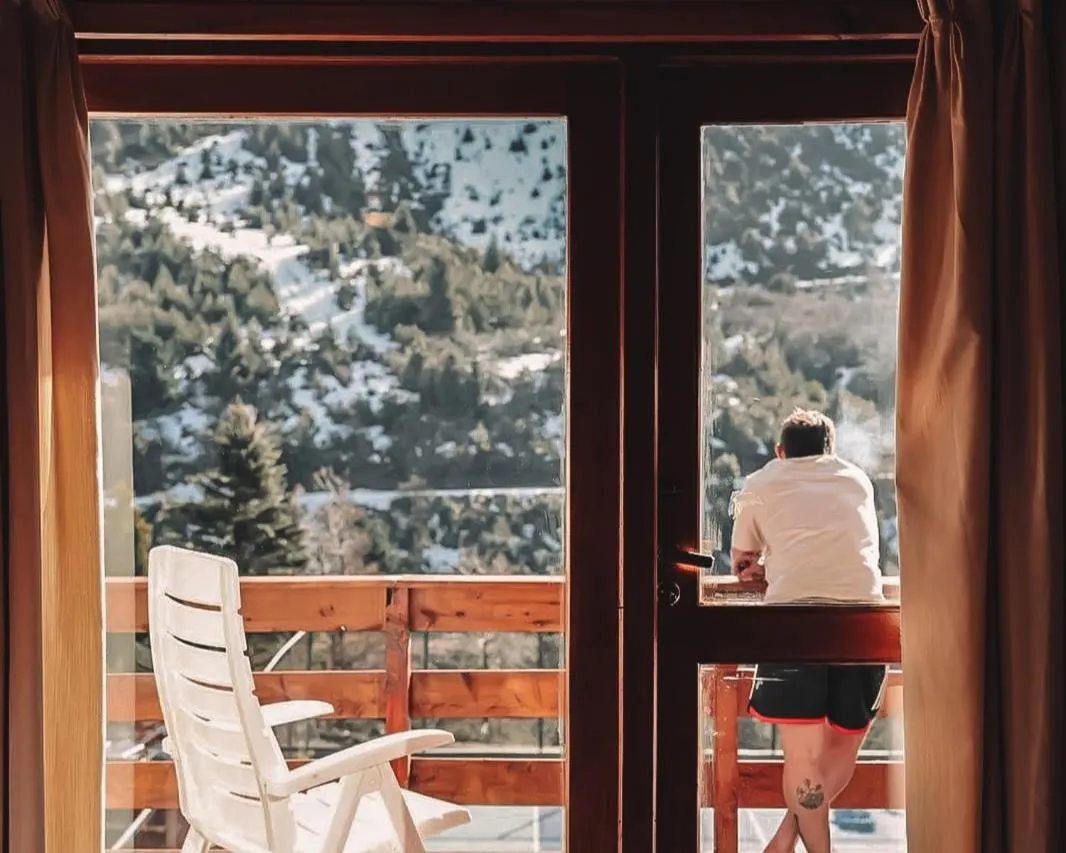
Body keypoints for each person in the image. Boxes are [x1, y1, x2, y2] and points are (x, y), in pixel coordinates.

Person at [729, 408, 886, 853]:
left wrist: (760, 565)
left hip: (793, 623)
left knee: (801, 757)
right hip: (862, 619)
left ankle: (784, 841)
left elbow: (742, 561)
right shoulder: (857, 479)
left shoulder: (760, 482)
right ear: (828, 450)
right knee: (844, 746)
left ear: (781, 452)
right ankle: (788, 843)